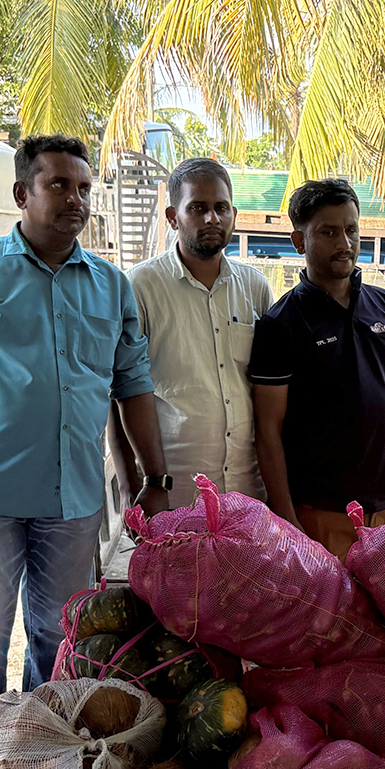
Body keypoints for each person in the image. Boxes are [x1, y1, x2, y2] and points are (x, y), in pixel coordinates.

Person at [0, 135, 171, 730]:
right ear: (23, 193)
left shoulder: (110, 285)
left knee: (62, 634)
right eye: (58, 185)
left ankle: (40, 759)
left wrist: (155, 478)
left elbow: (133, 385)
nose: (74, 199)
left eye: (82, 188)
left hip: (72, 498)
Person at [248, 177, 385, 557]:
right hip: (321, 515)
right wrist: (286, 516)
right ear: (300, 241)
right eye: (329, 232)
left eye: (351, 229)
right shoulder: (281, 324)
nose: (345, 242)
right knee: (327, 616)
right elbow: (267, 429)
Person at [120, 157, 274, 508]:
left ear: (233, 213)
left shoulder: (255, 287)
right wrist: (134, 486)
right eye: (198, 208)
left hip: (248, 490)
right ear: (173, 217)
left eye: (221, 208)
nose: (212, 218)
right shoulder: (140, 286)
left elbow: (270, 391)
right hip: (173, 492)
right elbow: (120, 395)